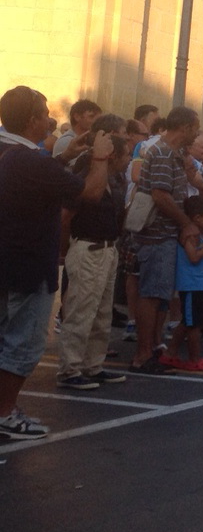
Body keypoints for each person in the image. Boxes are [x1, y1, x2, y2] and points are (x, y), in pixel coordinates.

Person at [0, 86, 114, 437]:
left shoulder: (13, 153)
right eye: (46, 112)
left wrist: (64, 158)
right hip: (27, 264)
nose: (51, 118)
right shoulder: (29, 160)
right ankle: (5, 412)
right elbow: (91, 193)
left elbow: (36, 179)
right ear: (33, 119)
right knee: (23, 342)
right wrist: (99, 157)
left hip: (8, 261)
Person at [129, 106, 202, 376]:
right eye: (195, 128)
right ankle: (143, 354)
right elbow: (160, 195)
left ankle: (153, 347)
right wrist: (186, 222)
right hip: (157, 235)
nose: (196, 134)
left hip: (165, 235)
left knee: (160, 296)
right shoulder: (161, 153)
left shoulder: (173, 154)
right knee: (151, 295)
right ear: (184, 127)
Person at [56, 131, 130, 390]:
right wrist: (64, 252)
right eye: (126, 154)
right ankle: (70, 368)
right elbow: (65, 217)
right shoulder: (84, 181)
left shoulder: (114, 182)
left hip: (108, 250)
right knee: (81, 310)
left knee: (101, 312)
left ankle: (92, 364)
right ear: (111, 155)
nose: (129, 160)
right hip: (88, 248)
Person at [159, 195, 203, 371]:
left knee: (190, 321)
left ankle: (171, 353)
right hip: (191, 284)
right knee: (192, 324)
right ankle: (194, 358)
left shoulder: (197, 233)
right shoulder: (190, 234)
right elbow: (193, 257)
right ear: (197, 218)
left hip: (198, 283)